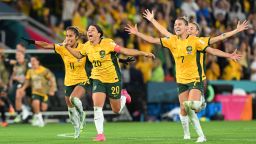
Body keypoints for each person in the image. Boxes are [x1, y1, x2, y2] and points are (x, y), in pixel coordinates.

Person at [125, 17, 241, 142]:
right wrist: (139, 32)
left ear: (187, 28)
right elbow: (154, 39)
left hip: (195, 78)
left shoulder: (197, 41)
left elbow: (212, 49)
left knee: (190, 106)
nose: (176, 26)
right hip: (181, 80)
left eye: (180, 24)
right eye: (175, 24)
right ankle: (186, 134)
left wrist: (229, 54)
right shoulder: (172, 40)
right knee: (183, 108)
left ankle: (201, 135)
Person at [65, 24, 155, 141]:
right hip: (97, 79)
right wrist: (67, 47)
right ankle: (100, 134)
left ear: (99, 34)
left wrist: (143, 53)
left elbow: (124, 50)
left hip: (113, 79)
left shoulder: (108, 43)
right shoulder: (86, 46)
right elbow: (78, 55)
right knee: (97, 107)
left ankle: (124, 97)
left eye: (92, 30)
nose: (89, 32)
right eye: (88, 30)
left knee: (116, 110)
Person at [16, 56, 55, 127]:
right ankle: (40, 121)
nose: (32, 62)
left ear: (38, 61)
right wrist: (23, 88)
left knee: (44, 108)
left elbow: (52, 79)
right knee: (35, 103)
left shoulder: (44, 70)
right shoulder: (30, 71)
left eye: (34, 60)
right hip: (35, 92)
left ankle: (37, 117)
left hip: (44, 92)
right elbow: (27, 82)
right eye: (31, 61)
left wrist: (52, 90)